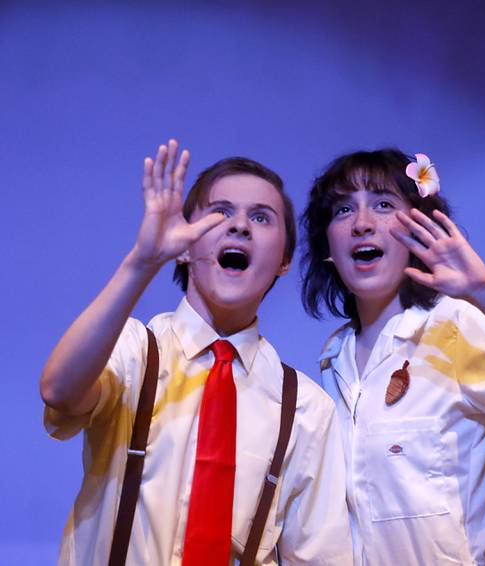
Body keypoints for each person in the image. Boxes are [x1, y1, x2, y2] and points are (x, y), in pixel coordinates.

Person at [40, 140, 352, 566]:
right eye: (221, 212)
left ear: (282, 259)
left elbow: (321, 557)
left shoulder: (306, 409)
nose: (240, 225)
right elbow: (59, 391)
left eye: (261, 217)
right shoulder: (134, 351)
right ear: (184, 246)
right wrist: (142, 263)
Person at [300, 148, 485, 565]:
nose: (362, 223)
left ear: (422, 229)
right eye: (343, 210)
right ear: (327, 246)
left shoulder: (454, 327)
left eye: (384, 204)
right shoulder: (333, 359)